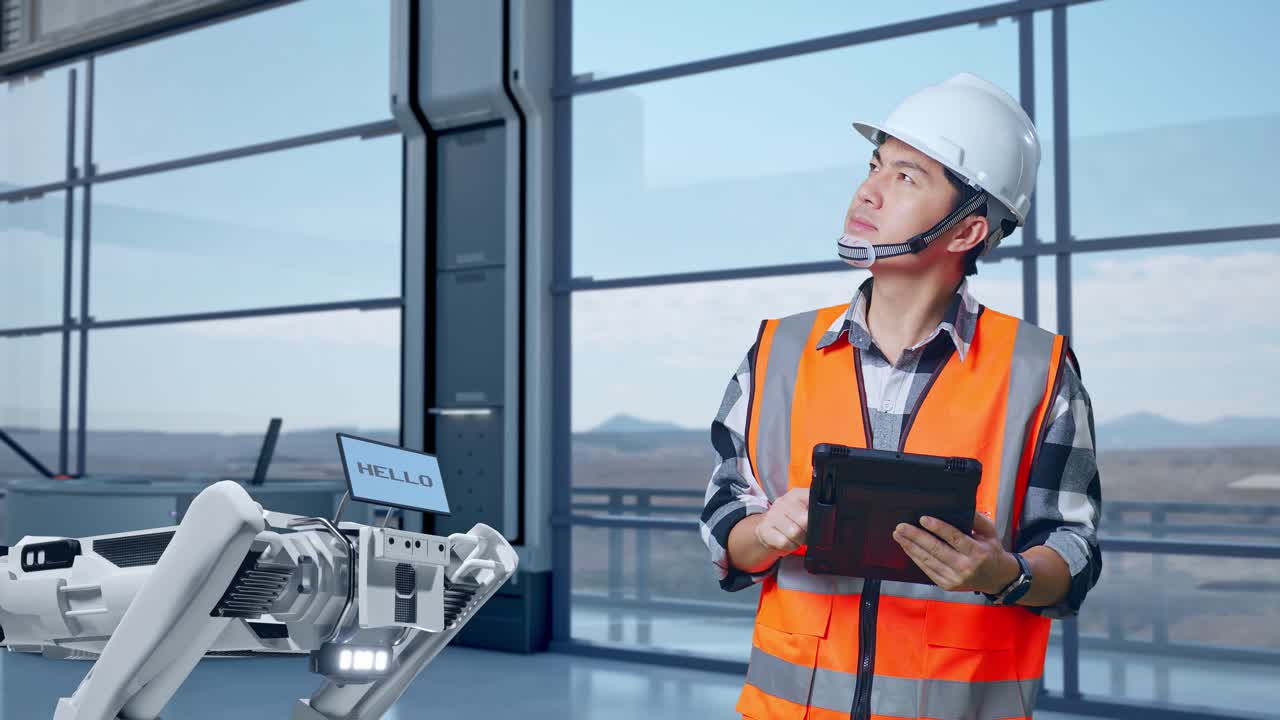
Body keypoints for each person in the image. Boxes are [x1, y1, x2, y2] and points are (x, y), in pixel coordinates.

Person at [699, 73, 1103, 720]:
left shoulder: (1039, 371)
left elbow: (1073, 556)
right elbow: (725, 533)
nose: (868, 190)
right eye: (875, 166)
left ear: (967, 232)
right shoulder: (776, 354)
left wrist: (1000, 573)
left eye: (907, 177)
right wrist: (766, 533)